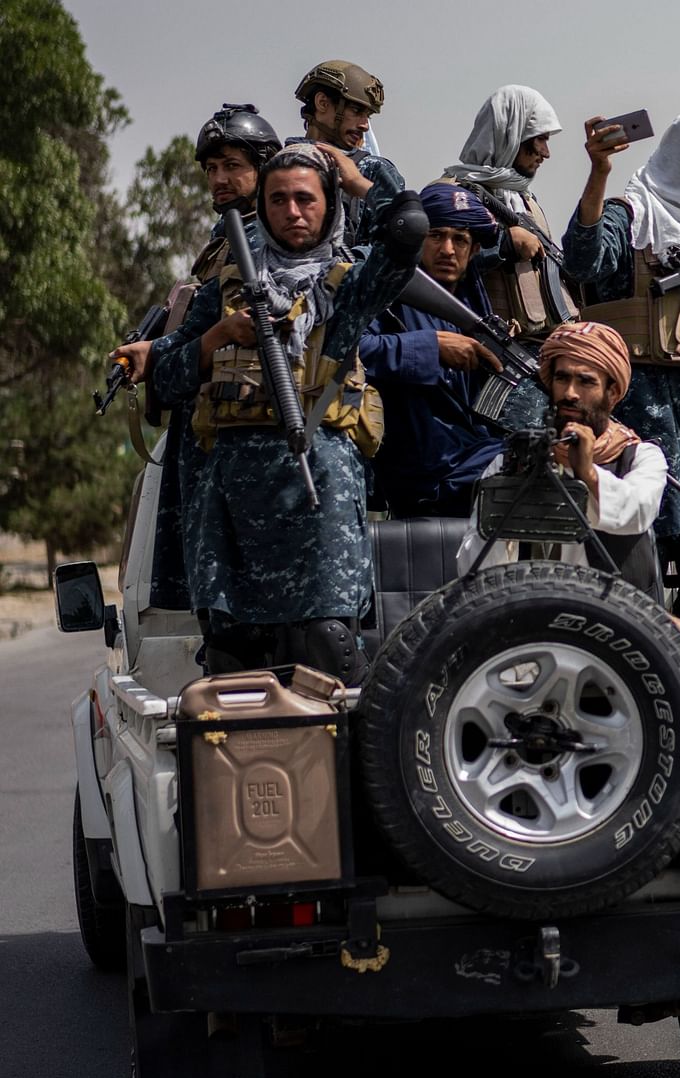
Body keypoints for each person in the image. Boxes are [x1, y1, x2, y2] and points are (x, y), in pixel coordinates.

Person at [143, 143, 422, 684]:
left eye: (305, 199)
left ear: (328, 203)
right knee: (234, 666)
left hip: (320, 494)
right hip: (231, 505)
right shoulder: (228, 286)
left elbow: (409, 229)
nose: (292, 213)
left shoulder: (351, 282)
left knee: (327, 654)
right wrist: (219, 337)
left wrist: (361, 176)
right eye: (278, 201)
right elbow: (168, 377)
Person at [563, 112, 680, 636]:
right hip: (639, 403)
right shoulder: (630, 215)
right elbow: (580, 263)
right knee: (640, 540)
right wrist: (599, 173)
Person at [454, 320, 680, 670]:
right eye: (562, 379)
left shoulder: (641, 457)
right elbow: (473, 566)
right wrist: (516, 490)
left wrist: (586, 473)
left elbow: (634, 512)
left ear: (613, 393)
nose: (570, 393)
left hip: (619, 652)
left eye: (586, 381)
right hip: (529, 648)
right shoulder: (509, 462)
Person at [110, 103, 283, 611]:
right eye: (212, 169)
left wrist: (159, 356)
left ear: (263, 168)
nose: (219, 179)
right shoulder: (223, 241)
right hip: (208, 435)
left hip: (241, 444)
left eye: (233, 165)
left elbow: (223, 339)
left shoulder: (262, 244)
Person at [358, 183, 508, 518]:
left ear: (474, 249)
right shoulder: (387, 298)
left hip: (473, 457)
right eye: (436, 236)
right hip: (425, 472)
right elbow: (352, 352)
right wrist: (431, 347)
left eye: (461, 240)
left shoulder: (475, 307)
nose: (448, 249)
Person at [444, 85, 576, 429]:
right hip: (492, 354)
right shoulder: (455, 194)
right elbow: (435, 267)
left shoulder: (524, 199)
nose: (545, 152)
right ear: (511, 133)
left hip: (542, 353)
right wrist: (502, 245)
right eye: (538, 139)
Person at [292, 59, 405, 245]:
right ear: (322, 103)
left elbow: (400, 236)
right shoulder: (279, 165)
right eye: (356, 110)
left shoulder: (373, 170)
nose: (364, 125)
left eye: (367, 115)